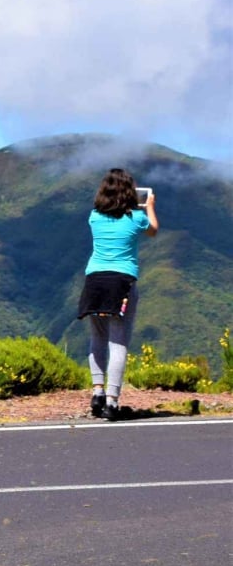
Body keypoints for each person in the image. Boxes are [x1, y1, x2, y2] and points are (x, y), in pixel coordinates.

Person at [77, 168, 158, 421]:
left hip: (95, 281)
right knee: (118, 342)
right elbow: (153, 230)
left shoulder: (94, 217)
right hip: (122, 282)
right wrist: (149, 206)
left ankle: (97, 392)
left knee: (97, 337)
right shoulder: (137, 218)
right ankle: (112, 402)